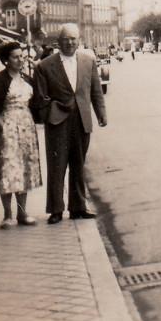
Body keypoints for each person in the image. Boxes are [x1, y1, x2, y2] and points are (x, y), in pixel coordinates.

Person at [33, 23, 107, 224]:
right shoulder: (44, 66)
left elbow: (96, 90)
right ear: (58, 42)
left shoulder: (88, 61)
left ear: (79, 40)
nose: (70, 42)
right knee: (57, 165)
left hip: (82, 119)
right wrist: (50, 113)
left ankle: (78, 207)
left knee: (78, 164)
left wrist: (101, 113)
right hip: (57, 121)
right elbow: (40, 97)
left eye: (73, 38)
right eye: (65, 39)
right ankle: (56, 209)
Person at [0, 41, 42, 228]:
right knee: (8, 169)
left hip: (26, 128)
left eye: (21, 56)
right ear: (6, 60)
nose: (20, 60)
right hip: (6, 129)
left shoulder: (27, 79)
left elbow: (37, 102)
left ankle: (22, 213)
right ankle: (7, 215)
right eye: (15, 57)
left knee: (24, 169)